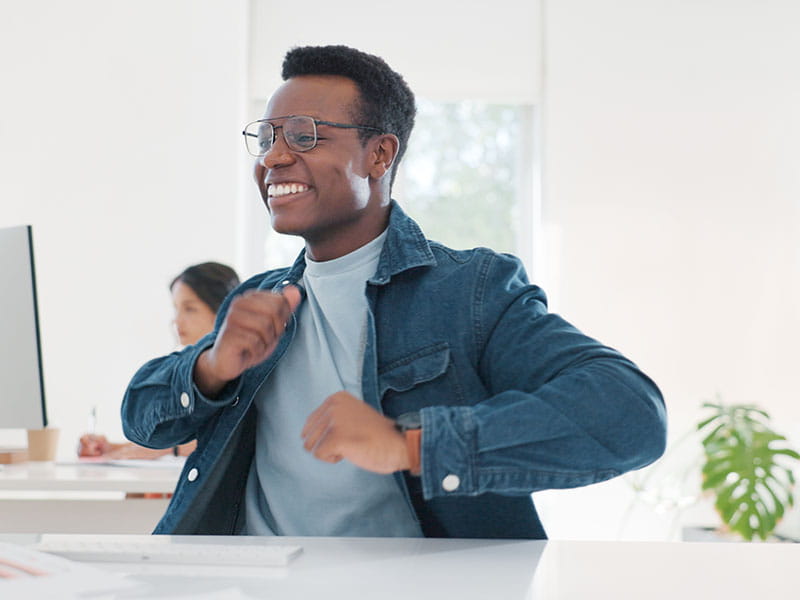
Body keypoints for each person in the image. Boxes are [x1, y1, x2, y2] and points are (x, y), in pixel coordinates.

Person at [122, 45, 667, 538]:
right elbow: (141, 416)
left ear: (380, 155)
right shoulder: (261, 300)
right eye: (266, 139)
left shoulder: (469, 292)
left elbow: (631, 415)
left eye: (304, 135)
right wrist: (212, 368)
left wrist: (411, 445)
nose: (272, 158)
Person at [79, 262, 239, 459]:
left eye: (190, 309)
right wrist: (112, 448)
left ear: (222, 310)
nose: (177, 321)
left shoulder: (242, 372)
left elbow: (224, 438)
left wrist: (154, 451)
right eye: (176, 309)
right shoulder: (181, 376)